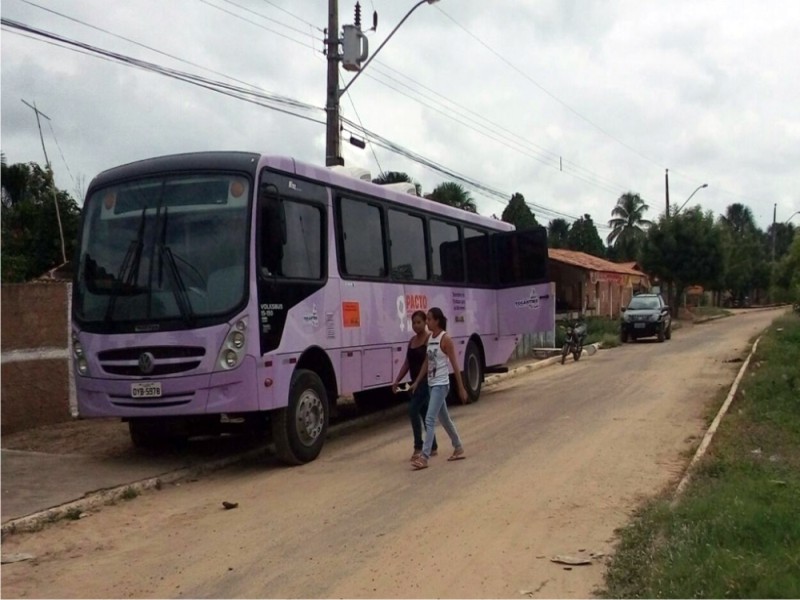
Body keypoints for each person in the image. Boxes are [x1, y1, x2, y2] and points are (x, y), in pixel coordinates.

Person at [409, 307, 468, 470]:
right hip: (431, 383)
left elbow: (455, 365)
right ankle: (458, 447)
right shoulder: (430, 339)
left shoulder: (445, 339)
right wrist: (417, 381)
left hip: (441, 385)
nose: (427, 322)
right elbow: (427, 362)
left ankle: (424, 456)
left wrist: (461, 388)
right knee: (444, 419)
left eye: (429, 319)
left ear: (437, 321)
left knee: (429, 419)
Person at [392, 310, 438, 461]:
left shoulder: (429, 340)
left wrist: (418, 381)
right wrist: (397, 379)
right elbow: (407, 363)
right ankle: (433, 446)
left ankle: (418, 446)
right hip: (415, 382)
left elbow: (427, 362)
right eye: (414, 323)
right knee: (424, 413)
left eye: (419, 322)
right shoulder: (411, 341)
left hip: (426, 381)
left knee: (412, 410)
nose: (416, 325)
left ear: (425, 323)